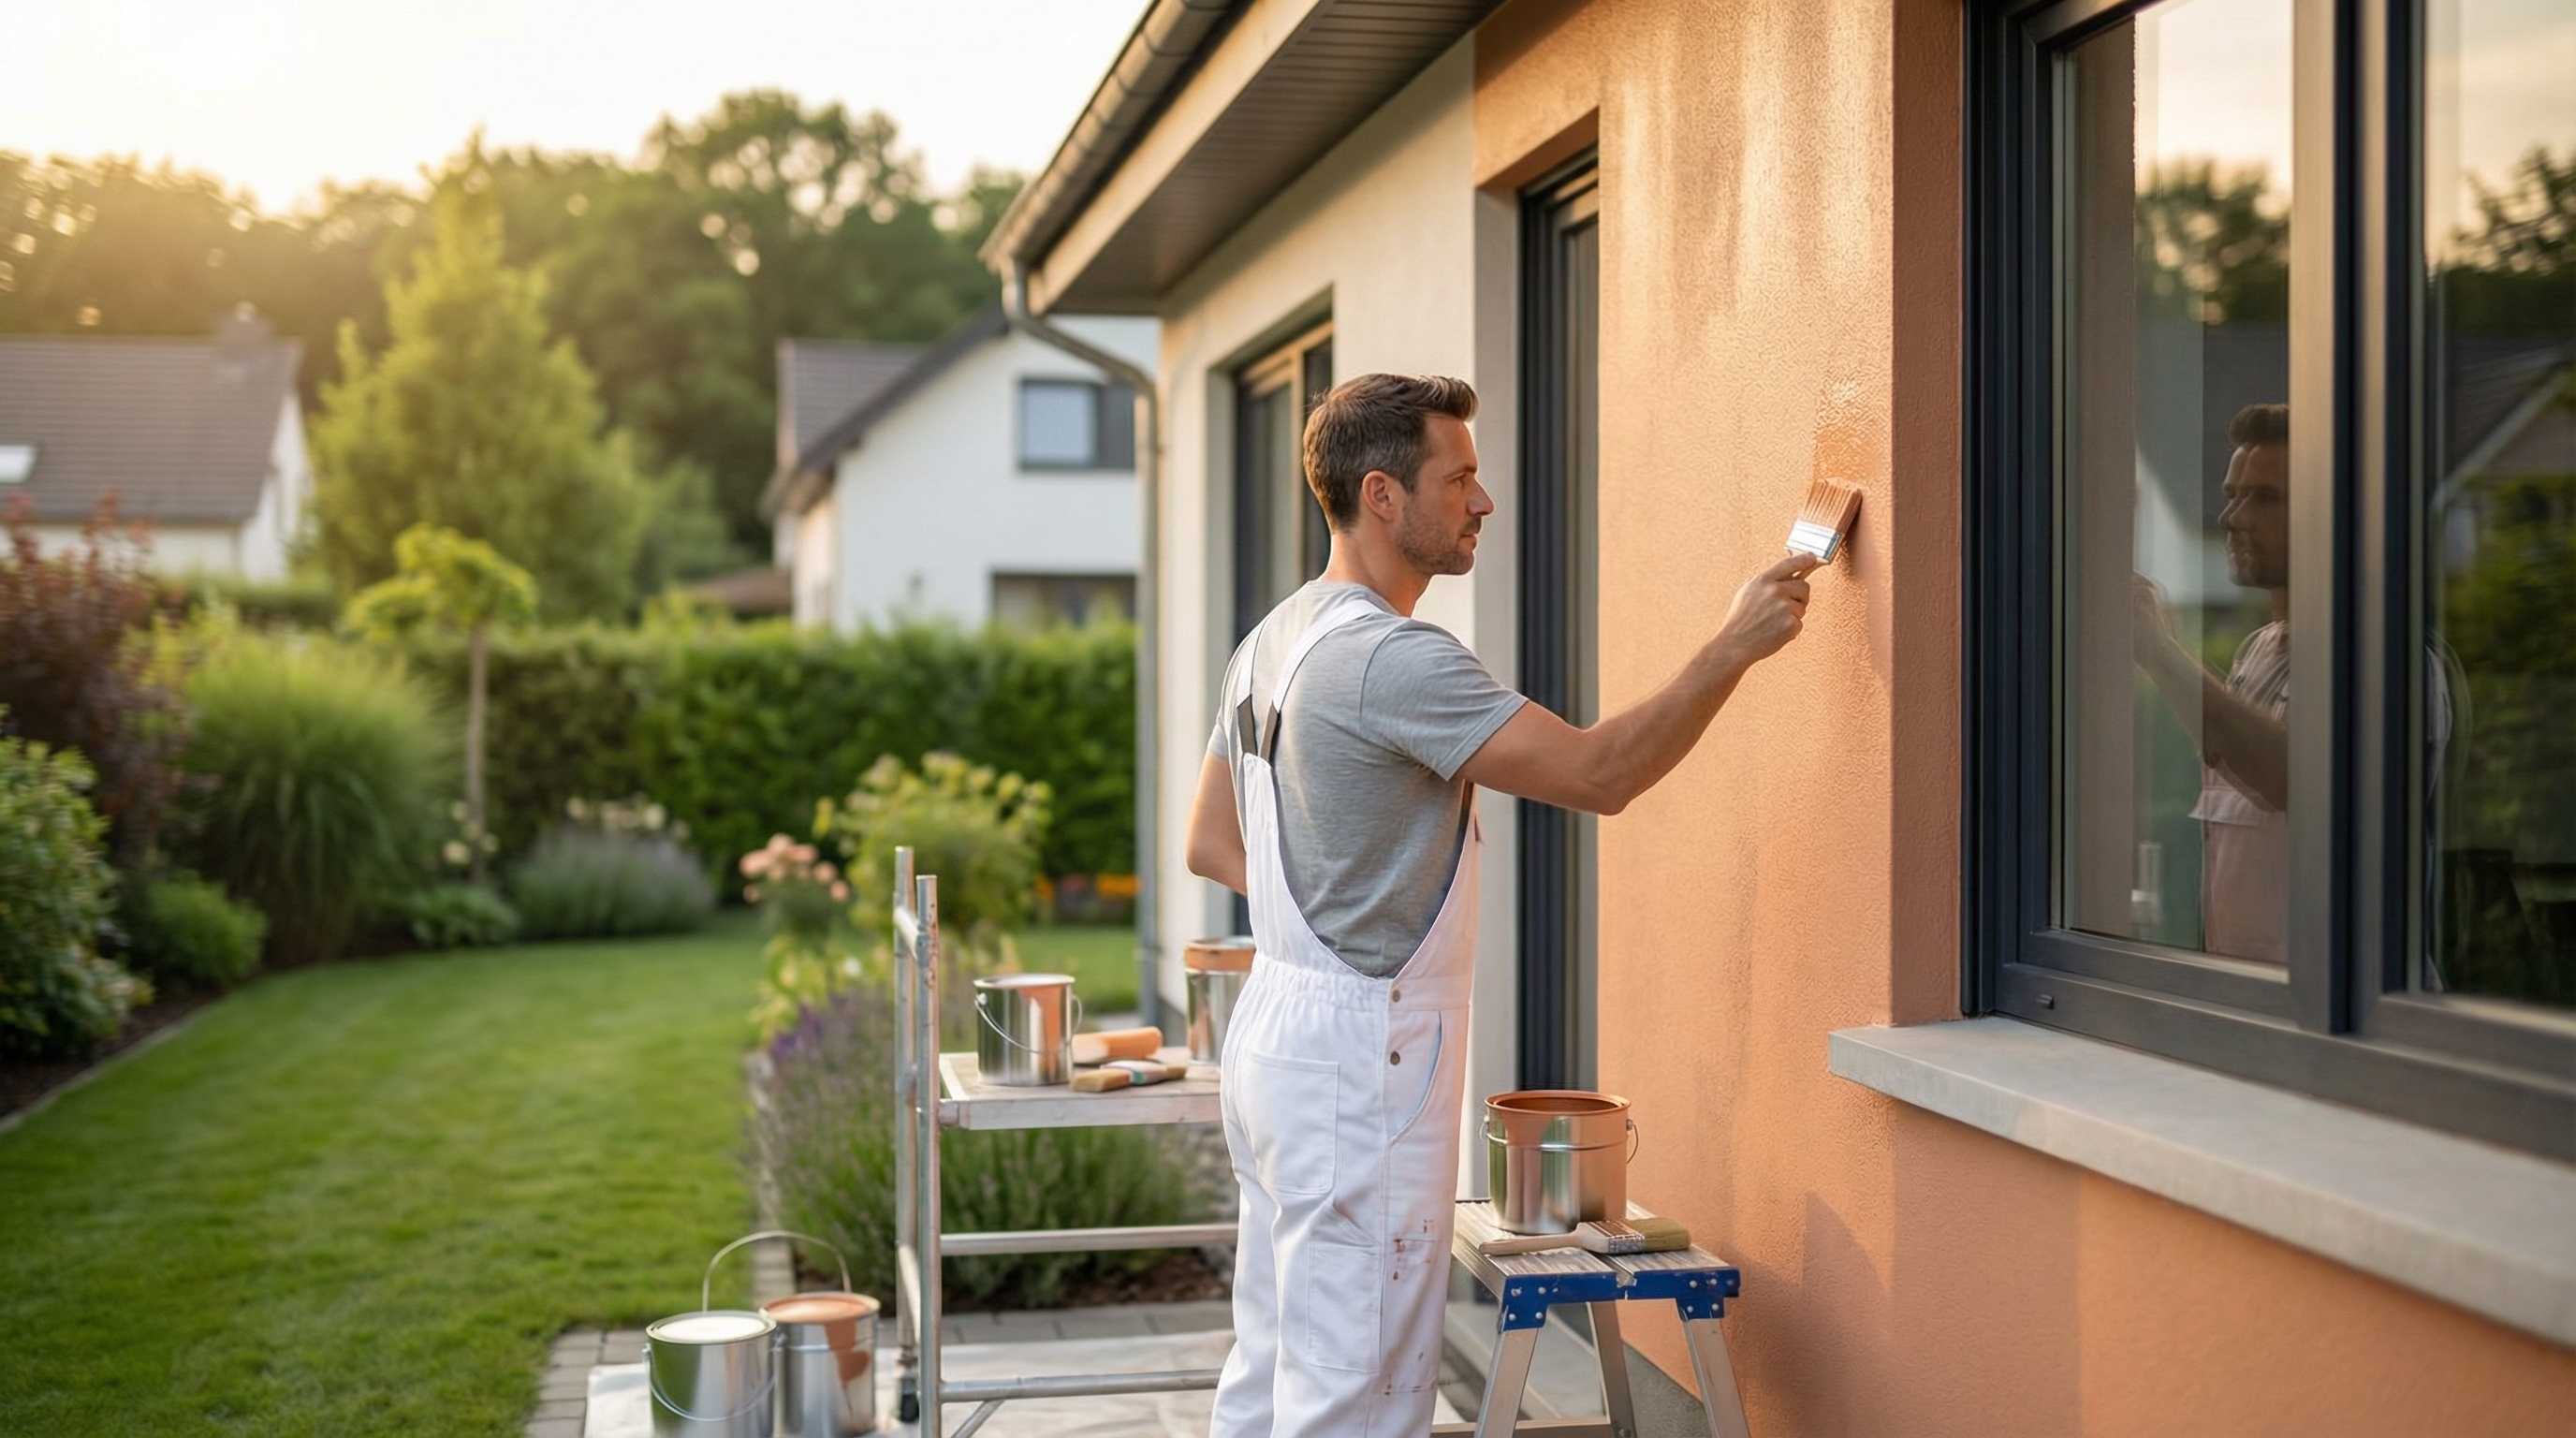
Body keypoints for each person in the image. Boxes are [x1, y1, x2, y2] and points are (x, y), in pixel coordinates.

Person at [1183, 373, 1819, 1435]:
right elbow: (1603, 773)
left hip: (1278, 1047)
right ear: (1381, 495)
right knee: (1358, 1398)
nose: (1483, 501)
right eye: (1460, 478)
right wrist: (1732, 644)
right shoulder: (1393, 658)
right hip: (1359, 1060)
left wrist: (1332, 895)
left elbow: (1210, 842)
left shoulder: (1271, 640)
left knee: (1274, 1369)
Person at [2133, 403, 2296, 962]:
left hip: (2333, 1009)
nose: (2232, 518)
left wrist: (2157, 649)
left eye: (2265, 498)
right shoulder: (2259, 652)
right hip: (2246, 997)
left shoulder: (2382, 661)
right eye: (2232, 496)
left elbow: (2289, 778)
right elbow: (2230, 748)